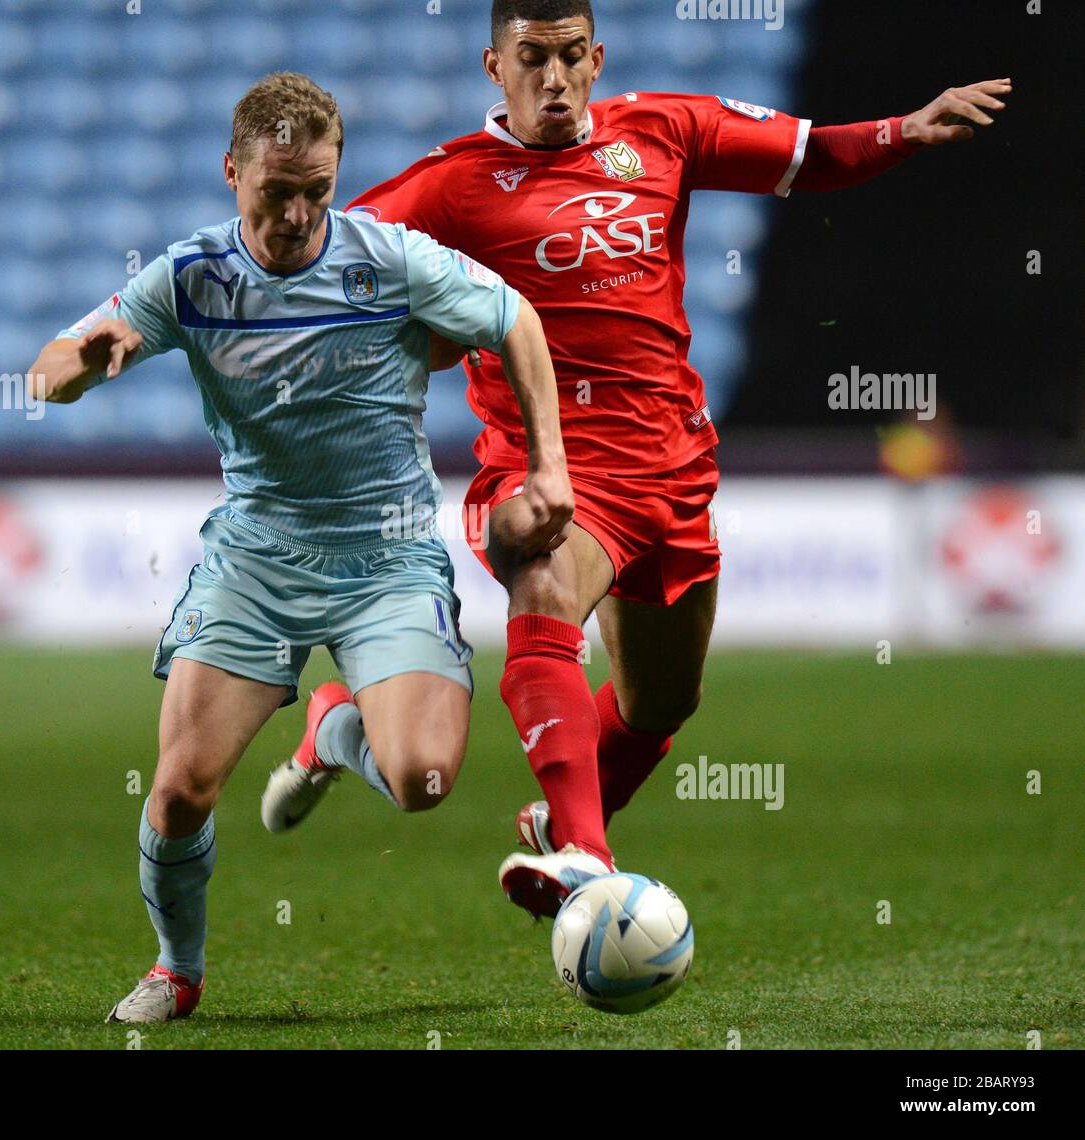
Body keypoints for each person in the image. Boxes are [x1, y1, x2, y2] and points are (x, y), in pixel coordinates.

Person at [349, 0, 1012, 917]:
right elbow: (320, 256)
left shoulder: (661, 131)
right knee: (542, 583)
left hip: (673, 465)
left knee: (661, 703)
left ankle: (561, 826)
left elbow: (812, 155)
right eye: (531, 57)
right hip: (551, 467)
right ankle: (585, 852)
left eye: (570, 55)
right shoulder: (449, 187)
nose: (554, 77)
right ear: (494, 66)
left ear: (597, 57)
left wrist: (906, 128)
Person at [26, 71, 573, 1022]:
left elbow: (516, 317)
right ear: (231, 171)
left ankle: (331, 730)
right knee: (180, 795)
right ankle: (176, 968)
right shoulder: (189, 277)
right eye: (275, 191)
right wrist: (80, 363)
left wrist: (548, 466)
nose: (295, 212)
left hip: (389, 558)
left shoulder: (393, 259)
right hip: (259, 559)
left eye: (315, 191)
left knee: (424, 782)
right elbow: (44, 374)